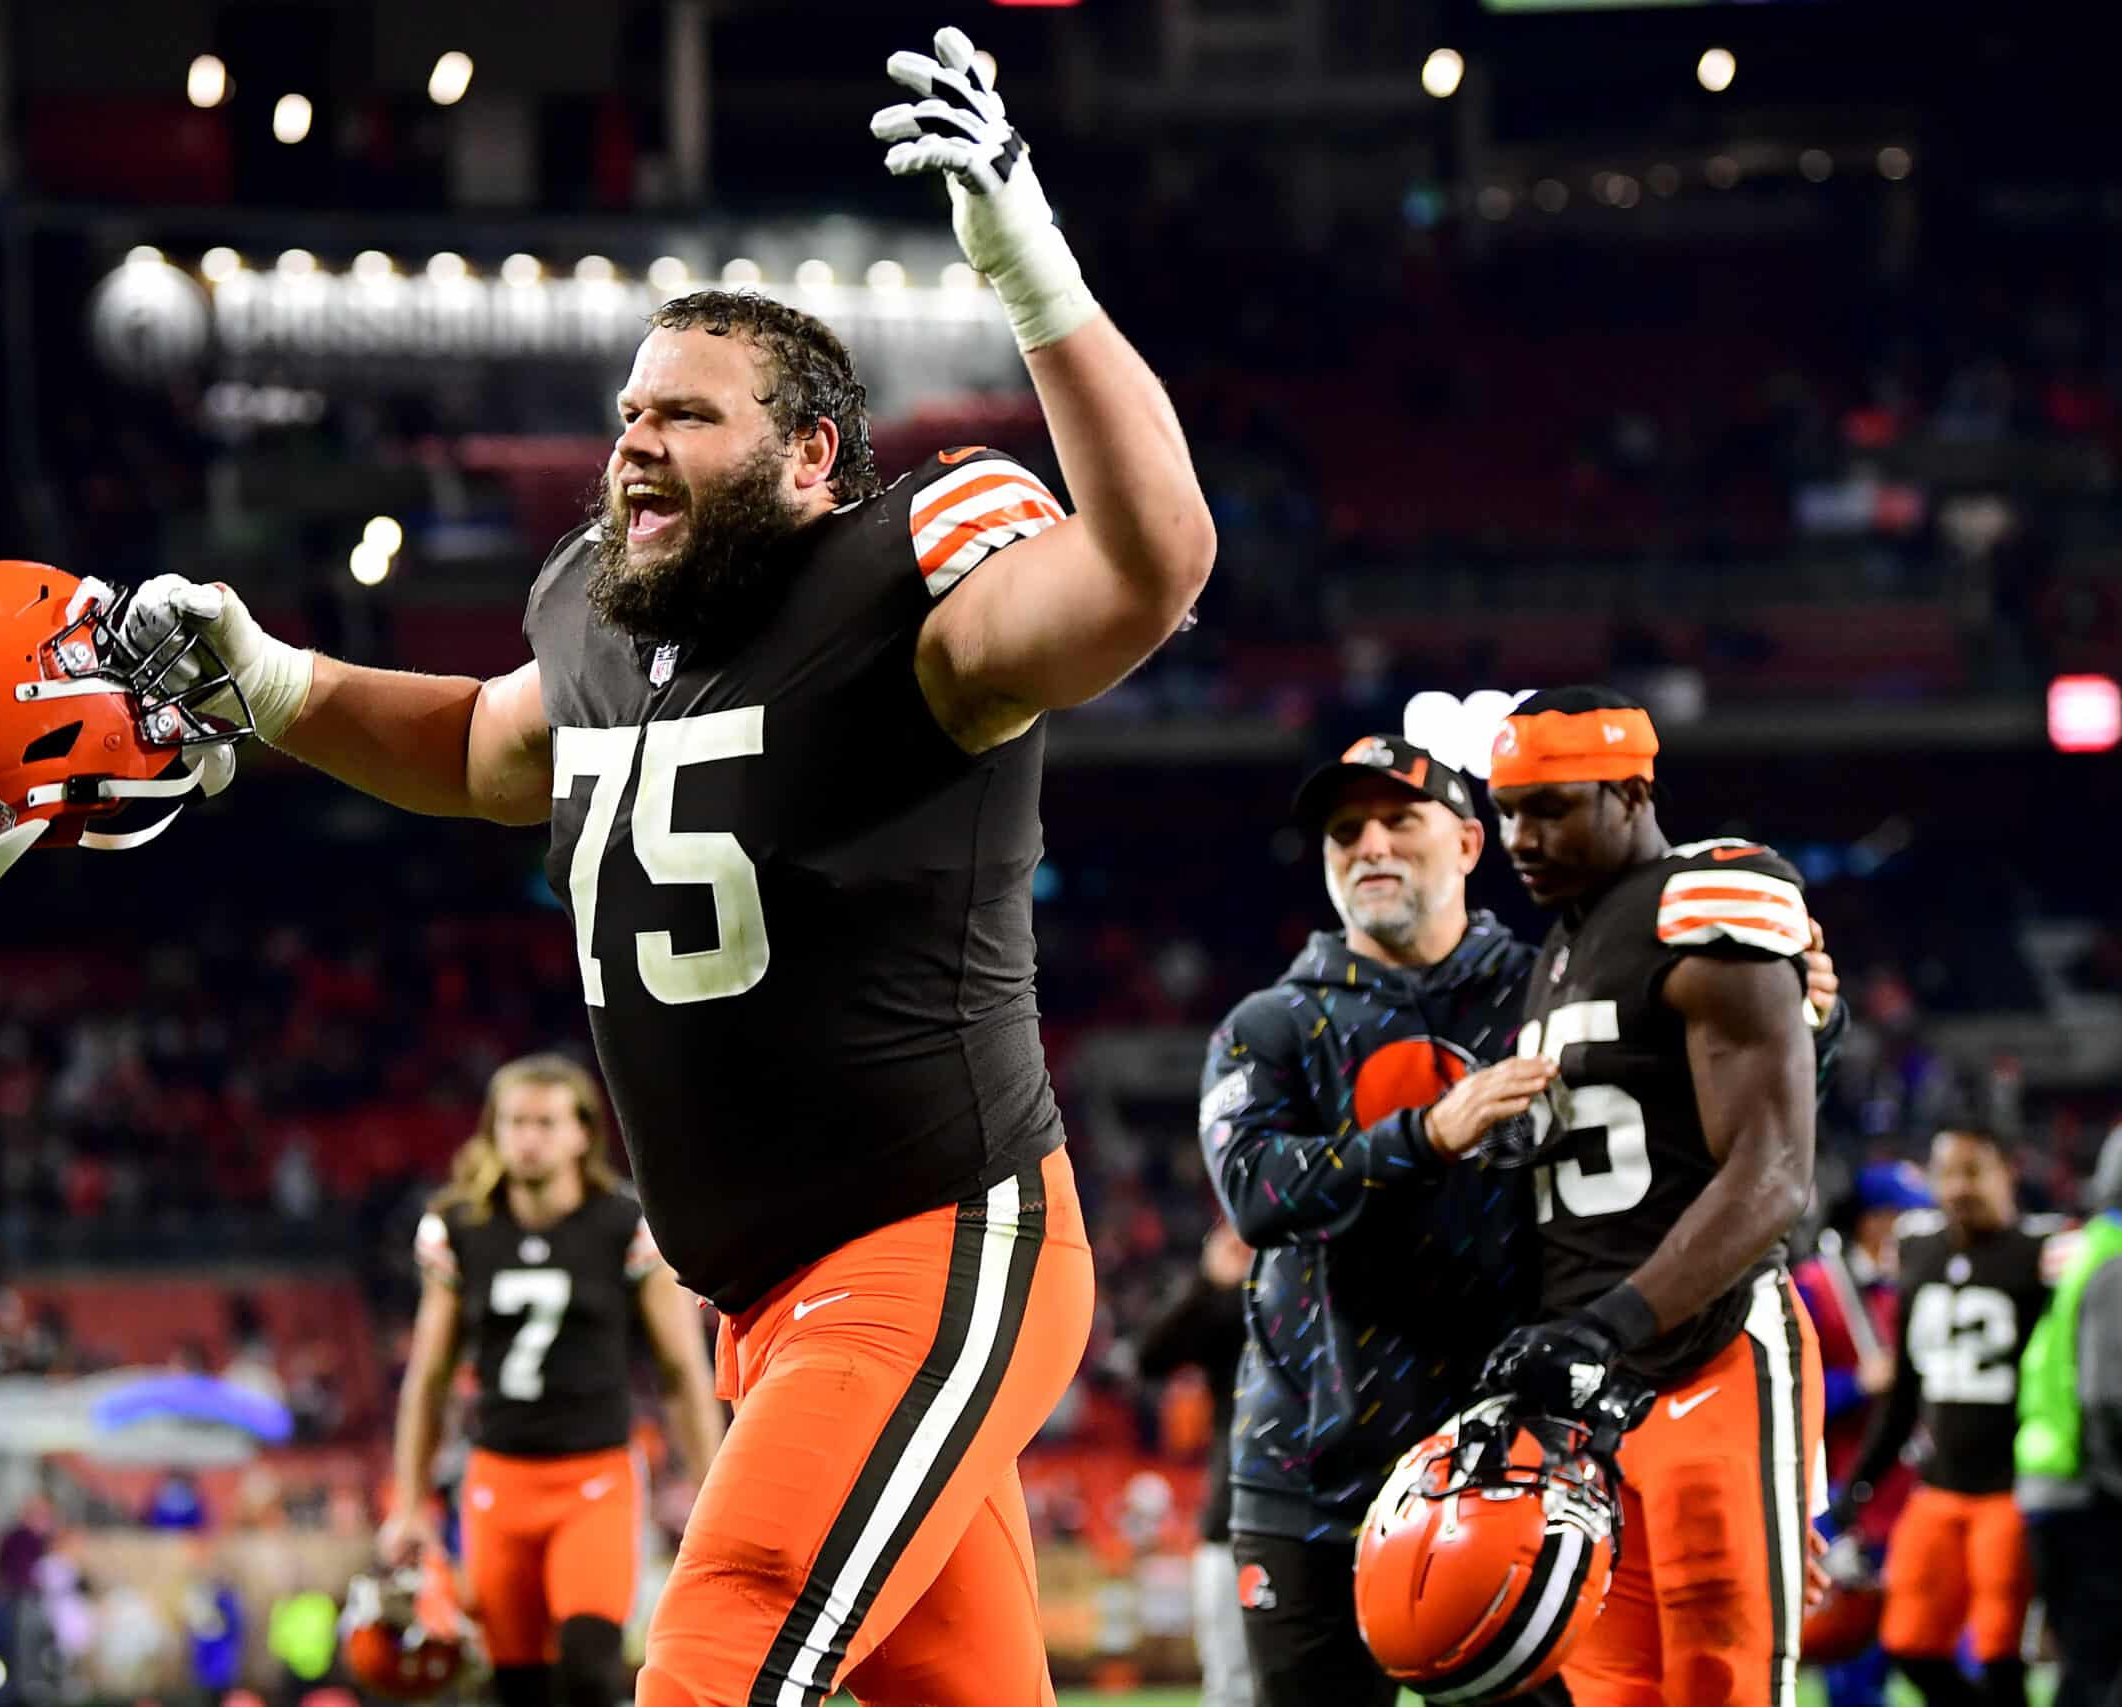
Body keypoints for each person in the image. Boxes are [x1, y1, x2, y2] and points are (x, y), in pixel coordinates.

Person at [102, 25, 1212, 1702]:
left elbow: (1150, 567)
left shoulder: (908, 567)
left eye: (685, 417)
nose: (634, 445)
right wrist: (271, 684)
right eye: (628, 413)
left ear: (814, 456)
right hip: (758, 1295)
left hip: (933, 1240)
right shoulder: (603, 617)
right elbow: (484, 752)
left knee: (725, 1632)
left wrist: (1029, 268)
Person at [1199, 731, 1843, 1706]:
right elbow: (1255, 1194)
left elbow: (1703, 1142)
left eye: (1396, 820)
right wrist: (1426, 1134)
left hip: (1518, 1469)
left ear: (1466, 844)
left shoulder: (1550, 983)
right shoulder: (1267, 1025)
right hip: (1311, 1477)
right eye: (1343, 832)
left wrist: (1810, 1029)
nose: (1368, 845)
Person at [1480, 685, 1827, 1707]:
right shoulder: (1556, 948)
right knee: (1612, 1691)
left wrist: (1605, 1322)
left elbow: (1774, 1169)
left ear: (1633, 792)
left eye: (1550, 807)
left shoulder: (1708, 896)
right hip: (1597, 1390)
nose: (1519, 837)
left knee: (1722, 1677)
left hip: (1705, 1347)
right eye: (1505, 810)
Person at [379, 1055, 721, 1707]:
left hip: (594, 1480)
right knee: (514, 1686)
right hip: (497, 1482)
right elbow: (429, 1377)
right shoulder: (460, 1225)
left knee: (590, 1670)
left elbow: (680, 1368)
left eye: (544, 1120)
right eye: (513, 1121)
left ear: (582, 1134)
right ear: (492, 1131)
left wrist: (711, 1484)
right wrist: (409, 1502)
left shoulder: (624, 1224)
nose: (527, 1136)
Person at [1836, 1128, 2060, 1707]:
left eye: (1972, 1170)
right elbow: (1905, 1390)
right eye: (1946, 1173)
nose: (1958, 1188)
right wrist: (1860, 1484)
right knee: (1910, 1643)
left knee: (1999, 1651)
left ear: (2007, 1169)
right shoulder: (1922, 1250)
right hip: (1937, 1487)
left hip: (2009, 1487)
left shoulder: (2042, 1254)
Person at [1794, 1164, 1932, 1707]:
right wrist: (1857, 1382)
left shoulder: (1913, 1283)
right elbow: (1790, 1388)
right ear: (1874, 1221)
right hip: (1845, 1494)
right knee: (1850, 1657)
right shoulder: (1817, 1285)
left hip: (1912, 1493)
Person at [1130, 1220, 1255, 1707]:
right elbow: (1150, 1357)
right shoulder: (1237, 1307)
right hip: (1233, 1517)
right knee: (1232, 1686)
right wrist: (1209, 1282)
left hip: (1324, 1518)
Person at [2017, 1127, 2122, 1707]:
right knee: (2096, 1673)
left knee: (2089, 1666)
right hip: (2088, 1492)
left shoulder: (2093, 1248)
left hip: (2059, 1481)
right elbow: (2108, 1395)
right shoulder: (2117, 1263)